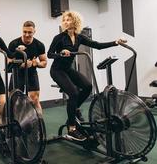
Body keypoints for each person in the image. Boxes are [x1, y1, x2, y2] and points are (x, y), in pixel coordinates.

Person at [47, 11, 126, 141]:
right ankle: (71, 128)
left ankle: (74, 109)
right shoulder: (59, 37)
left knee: (88, 86)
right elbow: (49, 54)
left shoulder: (79, 37)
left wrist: (116, 42)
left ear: (75, 22)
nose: (65, 22)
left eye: (68, 20)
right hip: (57, 70)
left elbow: (97, 46)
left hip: (68, 69)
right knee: (73, 93)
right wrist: (60, 53)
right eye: (64, 20)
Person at [8, 21, 47, 113]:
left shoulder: (39, 45)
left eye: (30, 32)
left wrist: (36, 63)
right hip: (17, 73)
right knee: (15, 101)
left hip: (31, 73)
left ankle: (39, 124)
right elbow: (9, 61)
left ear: (34, 32)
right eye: (24, 32)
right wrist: (22, 64)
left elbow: (44, 62)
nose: (27, 34)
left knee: (35, 99)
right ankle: (16, 124)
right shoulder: (14, 44)